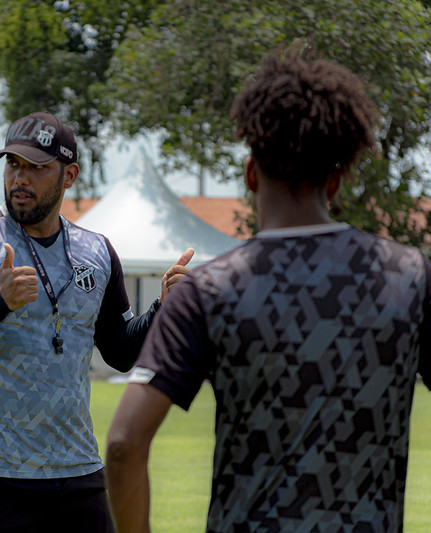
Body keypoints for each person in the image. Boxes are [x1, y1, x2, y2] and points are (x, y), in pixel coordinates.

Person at [105, 46, 431, 532]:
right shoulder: (411, 277)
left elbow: (123, 444)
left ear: (250, 173)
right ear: (337, 181)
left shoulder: (207, 291)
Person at [0, 110, 193, 532]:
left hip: (78, 477)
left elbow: (119, 352)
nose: (20, 178)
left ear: (69, 175)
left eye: (37, 168)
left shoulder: (96, 252)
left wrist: (162, 310)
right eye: (12, 164)